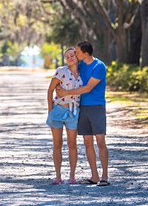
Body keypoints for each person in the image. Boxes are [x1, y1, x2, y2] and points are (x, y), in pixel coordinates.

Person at [57, 40, 109, 186]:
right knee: (87, 142)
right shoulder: (80, 66)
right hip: (82, 108)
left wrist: (67, 92)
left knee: (100, 142)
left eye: (77, 52)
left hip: (97, 107)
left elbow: (87, 88)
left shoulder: (99, 66)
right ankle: (95, 176)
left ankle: (104, 176)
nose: (76, 54)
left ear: (85, 54)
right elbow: (68, 71)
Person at [46, 47, 83, 185]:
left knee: (72, 144)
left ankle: (72, 176)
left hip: (73, 112)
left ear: (77, 56)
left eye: (72, 55)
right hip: (58, 110)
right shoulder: (61, 71)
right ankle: (58, 176)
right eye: (67, 56)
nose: (70, 58)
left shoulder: (82, 73)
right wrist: (50, 110)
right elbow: (50, 90)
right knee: (57, 144)